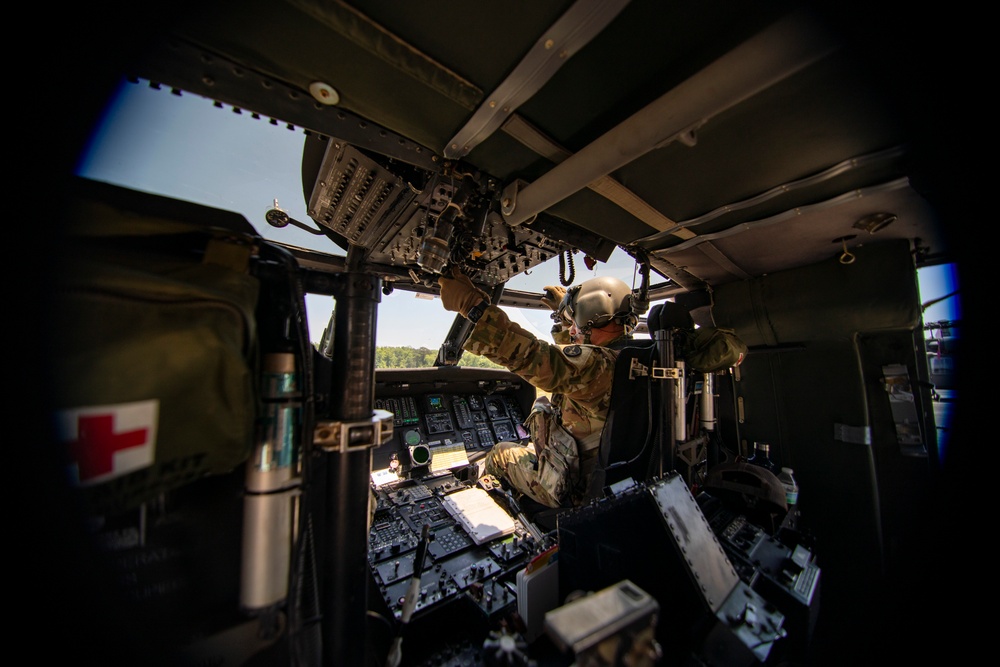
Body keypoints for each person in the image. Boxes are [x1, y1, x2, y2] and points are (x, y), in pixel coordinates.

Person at [437, 266, 642, 508]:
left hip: (574, 489)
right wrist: (564, 317)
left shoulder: (599, 366)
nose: (573, 330)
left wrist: (472, 305)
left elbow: (532, 356)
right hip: (617, 479)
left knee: (500, 453)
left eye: (575, 320)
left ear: (590, 315)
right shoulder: (636, 359)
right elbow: (575, 368)